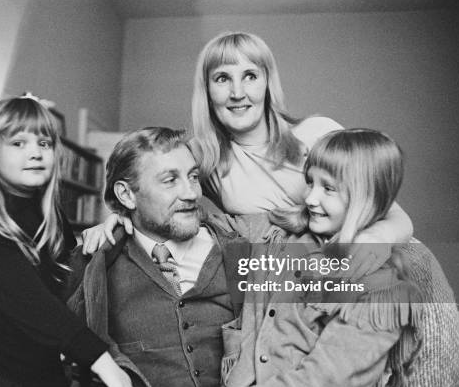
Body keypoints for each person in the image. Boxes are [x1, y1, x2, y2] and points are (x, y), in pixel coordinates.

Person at [0, 127, 258, 387]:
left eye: (193, 177)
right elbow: (17, 308)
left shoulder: (244, 250)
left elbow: (308, 323)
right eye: (170, 180)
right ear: (126, 195)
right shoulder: (92, 266)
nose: (191, 193)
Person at [173, 129, 459, 387]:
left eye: (328, 188)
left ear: (367, 197)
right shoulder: (278, 234)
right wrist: (125, 217)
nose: (310, 198)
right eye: (310, 182)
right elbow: (213, 225)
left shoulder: (381, 291)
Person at [83, 31, 412, 277]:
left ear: (267, 82)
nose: (237, 93)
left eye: (250, 76)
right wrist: (120, 216)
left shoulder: (317, 132)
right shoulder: (202, 156)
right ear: (207, 90)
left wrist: (363, 247)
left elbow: (394, 215)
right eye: (223, 78)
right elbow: (152, 185)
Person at [0, 95, 132, 387]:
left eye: (45, 143)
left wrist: (106, 238)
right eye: (18, 143)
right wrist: (102, 361)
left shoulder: (51, 216)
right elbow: (32, 302)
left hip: (39, 365)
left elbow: (68, 285)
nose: (35, 152)